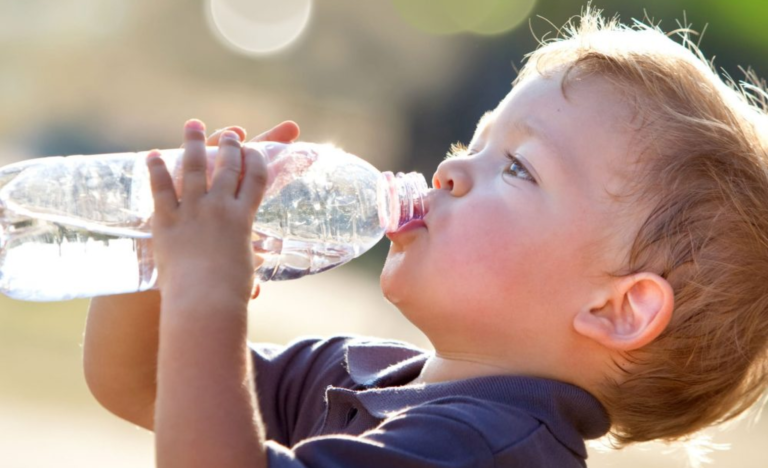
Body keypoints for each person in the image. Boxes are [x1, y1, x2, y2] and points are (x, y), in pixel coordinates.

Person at [82, 6, 768, 468]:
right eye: (472, 141)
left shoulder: (486, 448)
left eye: (517, 167)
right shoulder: (360, 372)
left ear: (617, 308)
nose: (448, 169)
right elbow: (139, 379)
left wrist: (209, 290)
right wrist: (158, 247)